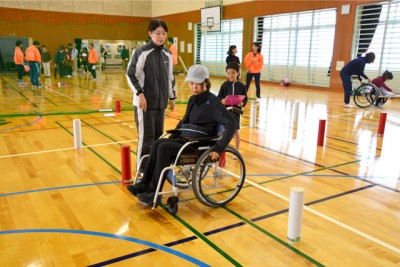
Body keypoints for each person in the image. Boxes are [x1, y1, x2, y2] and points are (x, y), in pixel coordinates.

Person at [126, 64, 237, 205]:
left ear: (205, 83)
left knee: (163, 147)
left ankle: (153, 193)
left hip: (198, 146)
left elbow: (232, 123)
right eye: (191, 84)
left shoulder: (213, 102)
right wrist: (172, 137)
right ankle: (144, 185)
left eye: (197, 84)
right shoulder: (192, 100)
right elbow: (184, 122)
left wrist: (219, 148)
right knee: (157, 143)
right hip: (186, 140)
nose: (194, 87)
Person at [126, 18, 176, 174]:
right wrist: (140, 94)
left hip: (160, 104)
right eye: (157, 33)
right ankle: (142, 171)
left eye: (163, 33)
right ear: (150, 33)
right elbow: (131, 74)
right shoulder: (141, 52)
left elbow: (170, 78)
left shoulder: (167, 54)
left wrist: (172, 97)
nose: (161, 37)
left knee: (157, 137)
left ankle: (153, 168)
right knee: (146, 138)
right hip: (144, 104)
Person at [217, 62, 247, 155]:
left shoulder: (242, 86)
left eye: (233, 73)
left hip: (236, 113)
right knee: (225, 132)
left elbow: (245, 98)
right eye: (228, 73)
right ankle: (222, 150)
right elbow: (219, 97)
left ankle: (236, 151)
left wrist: (242, 103)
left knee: (236, 132)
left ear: (238, 73)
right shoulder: (224, 85)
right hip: (226, 112)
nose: (230, 75)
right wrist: (222, 101)